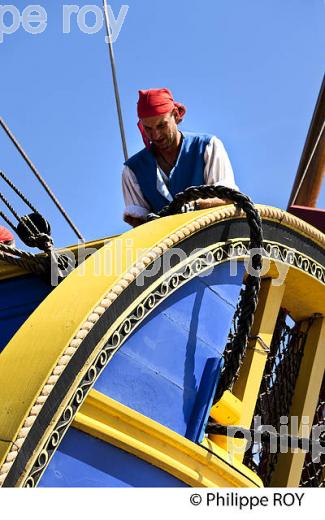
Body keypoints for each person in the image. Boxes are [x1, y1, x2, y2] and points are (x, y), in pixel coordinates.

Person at [122, 88, 239, 227]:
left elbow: (229, 198)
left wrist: (194, 206)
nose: (156, 135)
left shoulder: (208, 147)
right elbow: (138, 223)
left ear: (176, 115)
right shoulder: (133, 170)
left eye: (161, 125)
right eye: (148, 128)